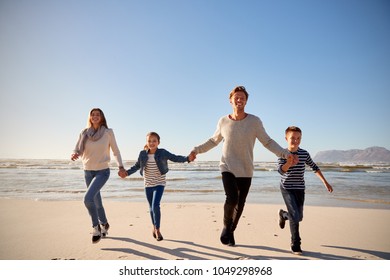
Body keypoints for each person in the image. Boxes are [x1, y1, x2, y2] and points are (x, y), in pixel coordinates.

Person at [190, 86, 295, 246]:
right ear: (231, 100)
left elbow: (267, 141)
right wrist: (196, 150)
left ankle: (232, 230)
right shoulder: (223, 121)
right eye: (236, 97)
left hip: (246, 169)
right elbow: (213, 141)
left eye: (242, 98)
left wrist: (284, 153)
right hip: (227, 166)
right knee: (231, 198)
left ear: (246, 101)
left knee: (240, 204)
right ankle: (226, 227)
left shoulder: (254, 121)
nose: (239, 100)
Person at [119, 132, 196, 241]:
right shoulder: (142, 154)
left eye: (154, 141)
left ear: (158, 142)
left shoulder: (162, 152)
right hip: (147, 184)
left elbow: (175, 157)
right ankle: (154, 227)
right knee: (151, 207)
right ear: (147, 142)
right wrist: (126, 173)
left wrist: (187, 158)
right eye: (149, 141)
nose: (152, 143)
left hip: (159, 183)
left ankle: (158, 229)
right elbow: (137, 166)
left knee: (155, 205)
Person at [71, 108, 125, 244]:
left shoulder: (108, 132)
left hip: (102, 171)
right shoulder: (84, 133)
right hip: (87, 171)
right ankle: (105, 224)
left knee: (87, 199)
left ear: (101, 117)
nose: (95, 116)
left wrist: (120, 166)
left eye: (97, 114)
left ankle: (96, 228)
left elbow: (116, 151)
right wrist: (75, 154)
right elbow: (77, 148)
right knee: (97, 202)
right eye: (92, 114)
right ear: (90, 117)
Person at [277, 126, 333, 255]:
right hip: (287, 188)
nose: (295, 141)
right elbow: (280, 171)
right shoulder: (282, 153)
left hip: (300, 188)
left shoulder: (304, 153)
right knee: (295, 218)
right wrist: (289, 162)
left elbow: (314, 167)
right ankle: (295, 244)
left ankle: (283, 215)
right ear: (286, 138)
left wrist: (325, 182)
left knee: (298, 217)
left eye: (298, 138)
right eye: (292, 138)